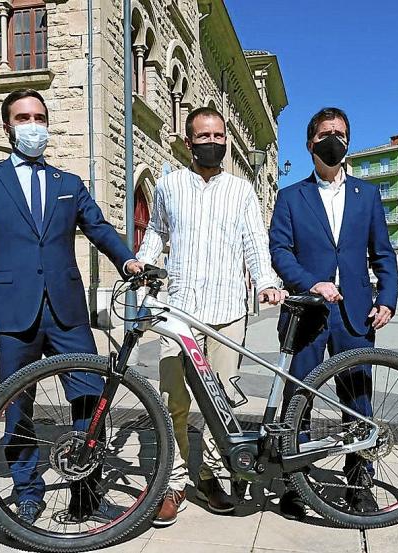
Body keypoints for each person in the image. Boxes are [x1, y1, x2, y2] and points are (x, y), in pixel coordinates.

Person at [0, 89, 142, 524]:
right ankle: (27, 490)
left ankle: (85, 485)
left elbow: (98, 227)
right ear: (8, 126)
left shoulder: (67, 183)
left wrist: (127, 259)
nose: (33, 125)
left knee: (89, 394)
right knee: (17, 405)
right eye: (23, 117)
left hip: (66, 312)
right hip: (10, 315)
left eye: (39, 116)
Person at [136, 106, 287, 527]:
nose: (214, 143)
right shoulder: (167, 186)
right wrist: (140, 264)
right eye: (204, 137)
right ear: (189, 142)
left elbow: (255, 241)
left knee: (222, 402)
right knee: (173, 401)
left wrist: (265, 281)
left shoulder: (241, 191)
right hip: (179, 311)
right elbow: (157, 234)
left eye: (220, 137)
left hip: (226, 312)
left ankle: (218, 476)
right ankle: (177, 481)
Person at [269, 107, 398, 519]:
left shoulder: (368, 195)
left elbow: (383, 254)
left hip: (356, 315)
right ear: (310, 143)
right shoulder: (290, 196)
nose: (334, 140)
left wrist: (388, 298)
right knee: (298, 399)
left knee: (358, 399)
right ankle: (295, 482)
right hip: (307, 313)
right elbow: (280, 251)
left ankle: (359, 482)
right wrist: (311, 282)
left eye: (341, 134)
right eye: (326, 133)